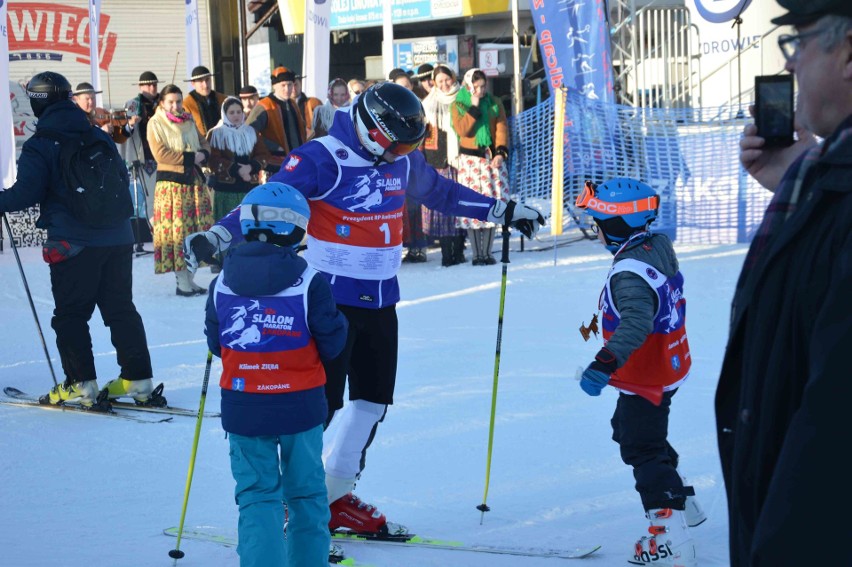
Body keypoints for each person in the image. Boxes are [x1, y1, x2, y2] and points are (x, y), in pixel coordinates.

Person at [184, 82, 544, 536]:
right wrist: (216, 236)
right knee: (320, 407)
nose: (401, 156)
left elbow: (440, 192)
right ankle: (298, 503)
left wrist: (500, 211)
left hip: (380, 298)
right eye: (395, 147)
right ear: (371, 131)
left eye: (409, 148)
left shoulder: (402, 156)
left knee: (372, 403)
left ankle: (333, 497)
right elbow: (267, 200)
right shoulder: (321, 157)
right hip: (327, 301)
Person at [717, 2, 852, 565]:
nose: (791, 67)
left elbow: (833, 428)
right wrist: (802, 174)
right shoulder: (829, 175)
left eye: (799, 43)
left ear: (848, 52)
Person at [205, 182, 348, 567]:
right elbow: (332, 345)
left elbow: (218, 344)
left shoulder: (221, 282)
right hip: (299, 407)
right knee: (305, 496)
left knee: (257, 496)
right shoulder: (308, 282)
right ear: (296, 230)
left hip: (244, 406)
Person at [0, 71, 160, 409]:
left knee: (70, 315)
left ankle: (80, 382)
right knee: (120, 308)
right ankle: (138, 378)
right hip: (118, 237)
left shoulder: (41, 143)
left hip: (72, 241)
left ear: (38, 101)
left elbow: (25, 194)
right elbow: (118, 177)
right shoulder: (97, 135)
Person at [574, 178, 702, 567]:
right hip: (668, 365)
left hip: (646, 374)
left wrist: (603, 364)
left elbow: (635, 323)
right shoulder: (656, 245)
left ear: (615, 227)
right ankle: (682, 498)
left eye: (598, 222)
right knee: (628, 429)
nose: (594, 229)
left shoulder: (628, 273)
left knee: (641, 446)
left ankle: (669, 538)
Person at [146, 83, 213, 296]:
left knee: (195, 231)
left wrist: (204, 152)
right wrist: (193, 157)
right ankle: (181, 280)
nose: (175, 106)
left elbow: (204, 142)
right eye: (171, 102)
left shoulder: (189, 119)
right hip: (171, 185)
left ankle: (190, 278)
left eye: (178, 101)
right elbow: (161, 154)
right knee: (177, 234)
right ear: (162, 103)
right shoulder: (155, 123)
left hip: (193, 182)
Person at [451, 68, 511, 265]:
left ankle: (487, 252)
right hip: (470, 163)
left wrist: (501, 152)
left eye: (483, 86)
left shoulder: (495, 102)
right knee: (473, 207)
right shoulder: (459, 104)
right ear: (469, 86)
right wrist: (474, 107)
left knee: (492, 204)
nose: (481, 90)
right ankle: (477, 253)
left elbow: (501, 127)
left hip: (491, 159)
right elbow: (463, 130)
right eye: (476, 87)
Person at [421, 65, 466, 266]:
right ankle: (447, 253)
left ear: (453, 78)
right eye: (439, 81)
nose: (444, 84)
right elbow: (421, 133)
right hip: (436, 161)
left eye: (447, 79)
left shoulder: (463, 97)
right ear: (434, 83)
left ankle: (460, 249)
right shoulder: (428, 103)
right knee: (442, 210)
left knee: (459, 205)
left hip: (460, 160)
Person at [206, 96, 271, 226]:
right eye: (231, 112)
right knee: (228, 228)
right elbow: (213, 159)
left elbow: (263, 155)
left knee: (248, 228)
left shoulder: (251, 132)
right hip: (226, 190)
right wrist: (237, 169)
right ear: (225, 114)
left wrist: (251, 167)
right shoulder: (217, 134)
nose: (236, 115)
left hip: (249, 188)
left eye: (238, 112)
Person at [121, 71, 161, 224]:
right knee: (152, 199)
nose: (152, 87)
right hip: (145, 158)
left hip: (165, 158)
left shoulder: (165, 102)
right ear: (140, 87)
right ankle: (157, 233)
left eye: (154, 84)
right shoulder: (132, 104)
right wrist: (131, 124)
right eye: (148, 84)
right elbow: (125, 133)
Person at [246, 66, 306, 168]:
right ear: (274, 86)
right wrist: (274, 147)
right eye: (283, 85)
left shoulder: (293, 104)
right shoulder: (264, 106)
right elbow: (248, 132)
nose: (287, 89)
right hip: (273, 163)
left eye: (290, 85)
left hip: (296, 161)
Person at [182, 65, 228, 138]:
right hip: (200, 145)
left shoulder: (223, 99)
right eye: (200, 81)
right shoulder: (186, 104)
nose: (205, 85)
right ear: (193, 84)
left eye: (207, 80)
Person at [293, 76, 323, 140]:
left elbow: (324, 126)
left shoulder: (314, 102)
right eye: (290, 85)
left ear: (301, 84)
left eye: (295, 84)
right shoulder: (280, 106)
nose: (293, 88)